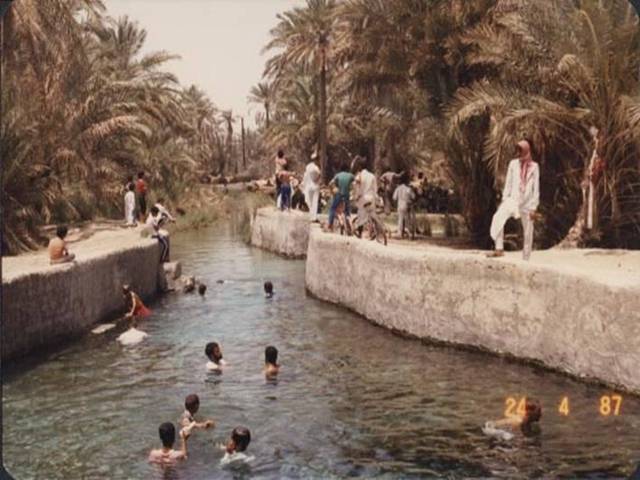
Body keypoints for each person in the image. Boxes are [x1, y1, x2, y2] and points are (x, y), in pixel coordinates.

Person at [488, 139, 540, 260]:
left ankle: (526, 257)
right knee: (498, 217)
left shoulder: (534, 167)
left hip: (527, 203)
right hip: (512, 200)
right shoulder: (513, 164)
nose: (518, 153)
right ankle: (499, 248)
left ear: (526, 151)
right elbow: (509, 182)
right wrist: (504, 199)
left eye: (520, 150)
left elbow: (536, 188)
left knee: (528, 231)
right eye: (517, 150)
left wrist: (534, 207)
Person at [352, 156, 378, 237]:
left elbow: (357, 188)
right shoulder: (372, 176)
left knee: (361, 213)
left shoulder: (359, 176)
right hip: (372, 197)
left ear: (360, 167)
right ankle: (374, 229)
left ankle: (360, 232)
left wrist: (356, 197)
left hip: (363, 198)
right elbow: (375, 189)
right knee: (372, 213)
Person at [327, 161, 355, 230]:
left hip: (338, 194)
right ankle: (349, 226)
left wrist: (332, 191)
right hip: (347, 195)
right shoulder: (351, 175)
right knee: (347, 211)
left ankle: (330, 225)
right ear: (347, 169)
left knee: (332, 209)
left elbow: (330, 184)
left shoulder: (338, 175)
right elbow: (355, 183)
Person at [393, 173, 416, 238]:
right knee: (407, 220)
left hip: (400, 205)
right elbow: (413, 197)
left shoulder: (398, 188)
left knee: (400, 219)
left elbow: (394, 198)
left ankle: (400, 234)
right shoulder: (408, 189)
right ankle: (409, 233)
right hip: (406, 205)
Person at [302, 153, 321, 222]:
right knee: (314, 201)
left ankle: (312, 216)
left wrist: (304, 184)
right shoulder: (316, 168)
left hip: (309, 186)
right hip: (315, 186)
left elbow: (305, 176)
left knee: (309, 201)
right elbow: (318, 176)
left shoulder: (308, 166)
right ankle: (314, 217)